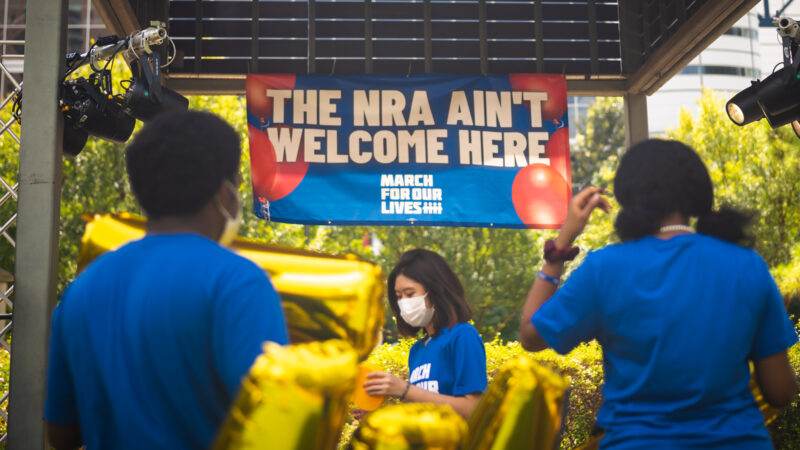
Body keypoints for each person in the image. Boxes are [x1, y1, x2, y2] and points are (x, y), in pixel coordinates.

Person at [519, 139, 798, 448]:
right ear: (696, 194)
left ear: (627, 195)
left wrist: (561, 245)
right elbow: (781, 391)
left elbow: (531, 335)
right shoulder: (747, 265)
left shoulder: (604, 269)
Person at [44, 110, 289, 449]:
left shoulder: (82, 290)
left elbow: (61, 433)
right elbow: (275, 424)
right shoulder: (237, 282)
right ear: (224, 191)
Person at [363, 249, 487, 419]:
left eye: (410, 293)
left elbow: (473, 409)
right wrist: (380, 415)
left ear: (437, 289)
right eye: (399, 296)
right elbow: (421, 411)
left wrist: (404, 389)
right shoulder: (417, 351)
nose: (403, 303)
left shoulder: (463, 336)